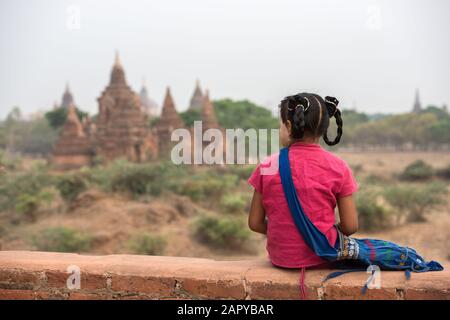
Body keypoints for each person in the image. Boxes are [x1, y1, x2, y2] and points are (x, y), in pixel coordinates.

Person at [248, 93, 359, 269]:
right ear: (323, 129)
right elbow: (350, 225)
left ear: (289, 126)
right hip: (322, 258)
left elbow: (255, 223)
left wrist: (285, 233)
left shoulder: (268, 165)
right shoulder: (339, 167)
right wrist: (318, 235)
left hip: (281, 260)